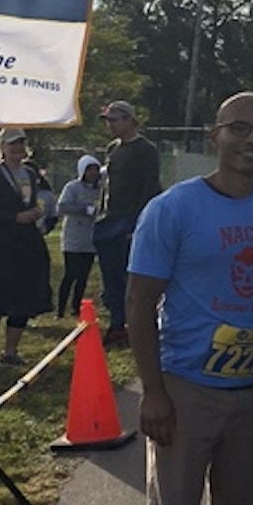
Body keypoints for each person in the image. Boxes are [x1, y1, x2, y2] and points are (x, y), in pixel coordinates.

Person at [125, 92, 253, 505]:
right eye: (239, 128)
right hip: (186, 386)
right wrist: (153, 391)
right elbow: (139, 302)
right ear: (214, 136)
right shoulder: (173, 209)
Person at [0, 128, 52, 370]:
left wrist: (36, 212)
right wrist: (14, 217)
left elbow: (31, 200)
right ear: (1, 147)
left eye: (20, 144)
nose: (17, 149)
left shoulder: (30, 172)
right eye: (11, 145)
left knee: (22, 298)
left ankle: (10, 351)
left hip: (24, 244)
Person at [96, 99, 162, 345]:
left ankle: (140, 322)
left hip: (132, 219)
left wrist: (139, 223)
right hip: (110, 218)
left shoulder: (146, 149)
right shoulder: (112, 149)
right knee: (111, 276)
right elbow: (107, 185)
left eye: (114, 120)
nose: (110, 126)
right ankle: (117, 323)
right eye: (108, 121)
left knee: (134, 277)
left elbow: (150, 186)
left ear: (129, 120)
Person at [55, 155, 102, 317]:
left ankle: (76, 307)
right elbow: (62, 206)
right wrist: (83, 209)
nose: (93, 173)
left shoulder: (100, 190)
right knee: (71, 273)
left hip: (90, 238)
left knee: (83, 275)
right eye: (90, 169)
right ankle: (60, 309)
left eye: (96, 169)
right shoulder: (72, 187)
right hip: (73, 238)